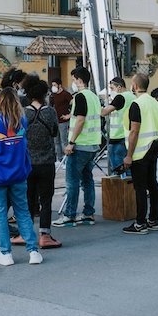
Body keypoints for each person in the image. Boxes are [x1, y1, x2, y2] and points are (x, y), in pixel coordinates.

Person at [0, 87, 43, 266]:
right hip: (19, 174)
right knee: (22, 211)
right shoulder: (22, 120)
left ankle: (5, 253)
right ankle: (33, 252)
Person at [14, 74, 61, 249]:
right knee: (46, 199)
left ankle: (24, 233)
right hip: (47, 162)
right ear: (44, 95)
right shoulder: (50, 112)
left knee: (27, 199)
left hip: (27, 163)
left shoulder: (23, 113)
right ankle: (45, 236)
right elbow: (55, 132)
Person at [52, 67, 101, 228]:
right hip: (92, 145)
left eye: (73, 80)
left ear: (79, 80)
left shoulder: (80, 96)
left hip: (80, 146)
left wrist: (71, 142)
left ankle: (69, 215)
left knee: (72, 182)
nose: (72, 83)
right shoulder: (93, 96)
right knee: (87, 181)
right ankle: (88, 214)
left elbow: (80, 120)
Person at [122, 73, 158, 235]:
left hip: (141, 151)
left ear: (134, 86)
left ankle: (140, 223)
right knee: (152, 184)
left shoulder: (136, 104)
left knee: (140, 187)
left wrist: (128, 155)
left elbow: (134, 131)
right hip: (155, 147)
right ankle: (153, 220)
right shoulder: (155, 103)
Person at [101, 77, 136, 175]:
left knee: (118, 172)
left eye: (112, 88)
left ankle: (120, 190)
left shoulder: (120, 97)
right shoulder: (133, 97)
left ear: (119, 87)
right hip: (128, 137)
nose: (111, 91)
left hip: (117, 138)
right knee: (128, 171)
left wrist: (100, 105)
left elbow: (104, 112)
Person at [49, 77, 72, 162]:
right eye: (52, 85)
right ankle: (59, 159)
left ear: (60, 85)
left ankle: (66, 160)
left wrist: (69, 115)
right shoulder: (52, 95)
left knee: (64, 141)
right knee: (56, 142)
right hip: (55, 121)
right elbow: (51, 106)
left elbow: (73, 105)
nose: (53, 87)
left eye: (55, 85)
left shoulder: (66, 94)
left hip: (63, 122)